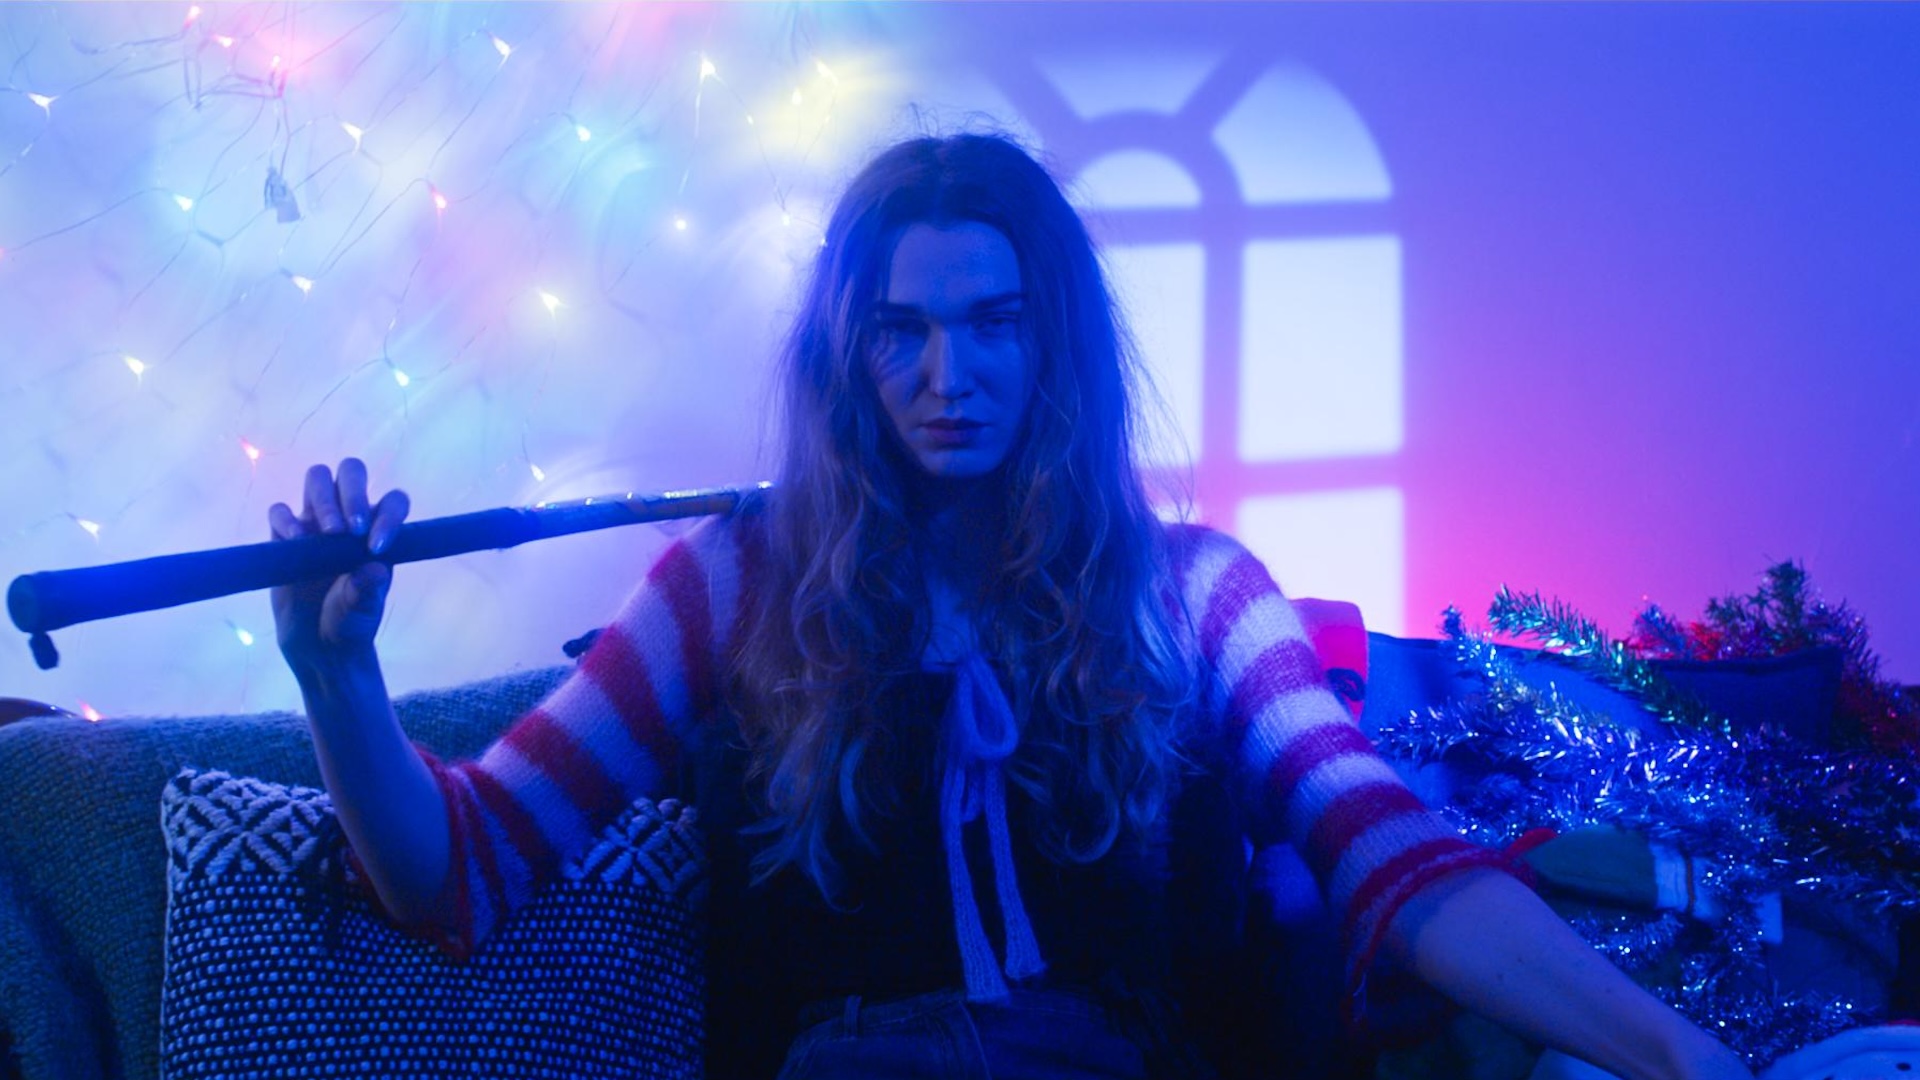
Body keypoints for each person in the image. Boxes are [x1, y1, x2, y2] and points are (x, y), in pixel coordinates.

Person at [270, 133, 1753, 1080]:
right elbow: (455, 874)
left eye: (992, 325)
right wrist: (337, 682)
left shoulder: (1195, 593)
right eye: (901, 334)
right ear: (850, 356)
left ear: (1055, 345)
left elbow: (1389, 856)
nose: (945, 377)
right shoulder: (731, 584)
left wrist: (1685, 1061)